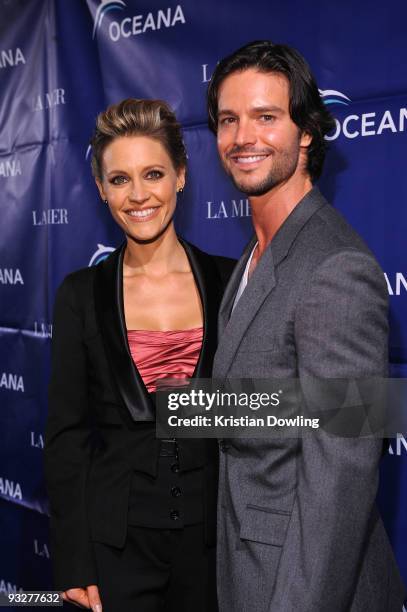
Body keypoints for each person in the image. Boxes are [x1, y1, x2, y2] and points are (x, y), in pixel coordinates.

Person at [207, 41, 406, 611]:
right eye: (228, 119)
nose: (243, 136)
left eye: (266, 117)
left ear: (306, 133)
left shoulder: (337, 267)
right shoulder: (256, 254)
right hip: (247, 571)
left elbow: (340, 480)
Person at [44, 98, 235, 612]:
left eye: (152, 173)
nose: (138, 194)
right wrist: (74, 562)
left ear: (181, 176)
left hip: (215, 548)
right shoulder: (79, 294)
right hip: (115, 551)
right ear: (103, 190)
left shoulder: (232, 280)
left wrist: (349, 408)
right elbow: (67, 436)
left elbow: (263, 408)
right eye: (119, 179)